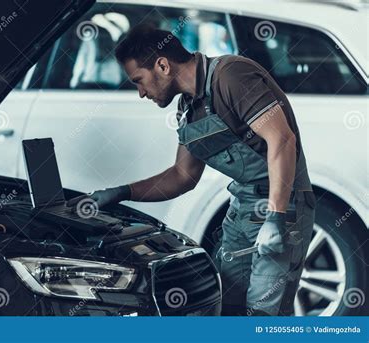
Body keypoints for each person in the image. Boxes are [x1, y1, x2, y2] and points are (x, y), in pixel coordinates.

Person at [67, 24, 316, 316]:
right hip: (242, 211)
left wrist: (275, 217)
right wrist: (121, 193)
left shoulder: (231, 76)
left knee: (264, 317)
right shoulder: (187, 108)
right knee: (227, 309)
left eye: (139, 80)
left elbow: (282, 139)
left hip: (283, 210)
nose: (141, 93)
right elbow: (182, 176)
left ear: (162, 65)